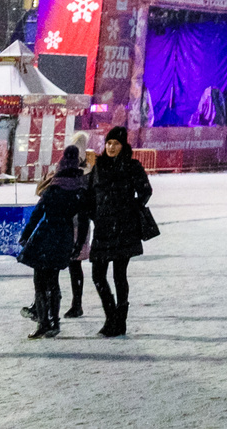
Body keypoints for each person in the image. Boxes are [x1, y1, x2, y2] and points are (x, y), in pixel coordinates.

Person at [86, 124, 154, 338]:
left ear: (123, 145)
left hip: (124, 228)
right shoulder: (98, 167)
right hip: (103, 228)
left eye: (116, 143)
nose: (111, 147)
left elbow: (145, 191)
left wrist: (130, 209)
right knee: (98, 275)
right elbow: (89, 194)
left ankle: (119, 321)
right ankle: (111, 316)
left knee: (119, 275)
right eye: (108, 143)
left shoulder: (132, 166)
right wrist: (94, 214)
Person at [17, 145, 92, 338]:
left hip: (46, 234)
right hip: (64, 236)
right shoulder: (79, 190)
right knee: (53, 281)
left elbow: (37, 213)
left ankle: (44, 322)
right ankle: (55, 322)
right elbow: (83, 220)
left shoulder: (54, 186)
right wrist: (78, 244)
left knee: (40, 281)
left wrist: (26, 235)